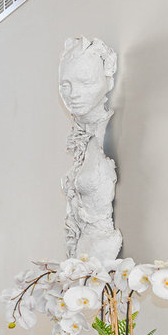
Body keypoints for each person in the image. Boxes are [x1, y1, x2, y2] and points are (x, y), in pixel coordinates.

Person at [58, 36, 122, 263]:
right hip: (79, 256)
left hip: (101, 252)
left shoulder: (111, 132)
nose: (73, 94)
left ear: (109, 82)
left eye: (85, 83)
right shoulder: (81, 137)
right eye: (65, 85)